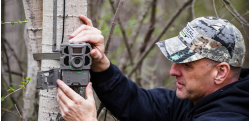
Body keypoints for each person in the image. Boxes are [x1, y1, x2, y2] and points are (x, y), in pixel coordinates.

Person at [57, 15, 249, 121]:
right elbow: (139, 104)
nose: (173, 71)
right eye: (174, 61)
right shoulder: (197, 99)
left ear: (221, 72)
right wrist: (101, 65)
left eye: (187, 65)